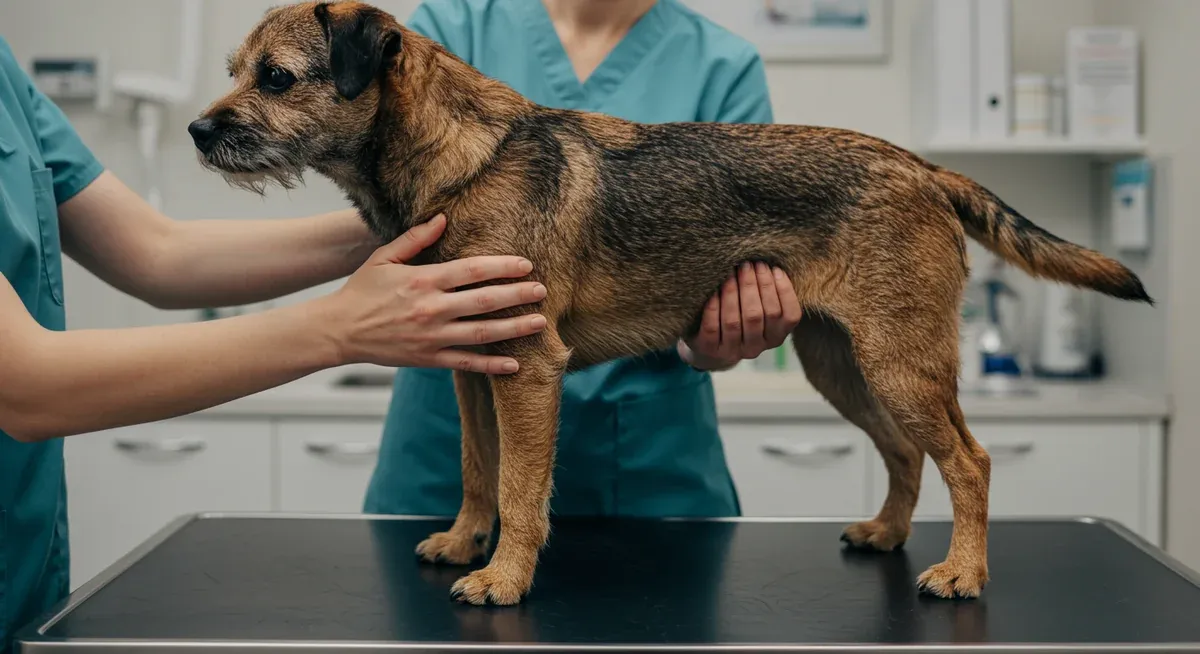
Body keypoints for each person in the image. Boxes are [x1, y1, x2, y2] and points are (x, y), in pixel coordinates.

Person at [0, 34, 564, 651]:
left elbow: (157, 254)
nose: (218, 109)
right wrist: (339, 326)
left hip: (24, 557)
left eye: (271, 79)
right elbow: (22, 388)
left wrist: (436, 212)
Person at [364, 0, 803, 519]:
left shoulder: (722, 66)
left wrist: (719, 343)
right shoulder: (447, 31)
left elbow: (743, 278)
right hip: (442, 466)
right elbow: (387, 208)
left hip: (645, 471)